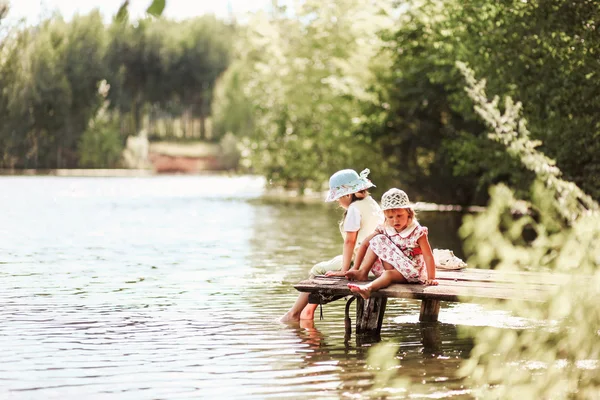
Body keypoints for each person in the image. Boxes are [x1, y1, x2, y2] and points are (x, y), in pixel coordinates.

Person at [280, 168, 384, 322]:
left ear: (348, 194)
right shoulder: (371, 203)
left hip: (361, 262)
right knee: (329, 265)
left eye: (338, 196)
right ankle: (306, 313)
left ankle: (296, 314)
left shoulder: (354, 210)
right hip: (378, 258)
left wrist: (344, 270)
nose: (337, 200)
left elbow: (350, 241)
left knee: (317, 269)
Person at [345, 188, 438, 299]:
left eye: (399, 216)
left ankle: (368, 289)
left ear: (408, 213)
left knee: (388, 274)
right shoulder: (384, 228)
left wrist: (431, 278)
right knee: (376, 239)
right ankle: (362, 272)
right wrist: (355, 267)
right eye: (390, 217)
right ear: (385, 216)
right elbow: (365, 244)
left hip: (411, 272)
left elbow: (428, 255)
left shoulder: (417, 232)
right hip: (390, 267)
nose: (395, 221)